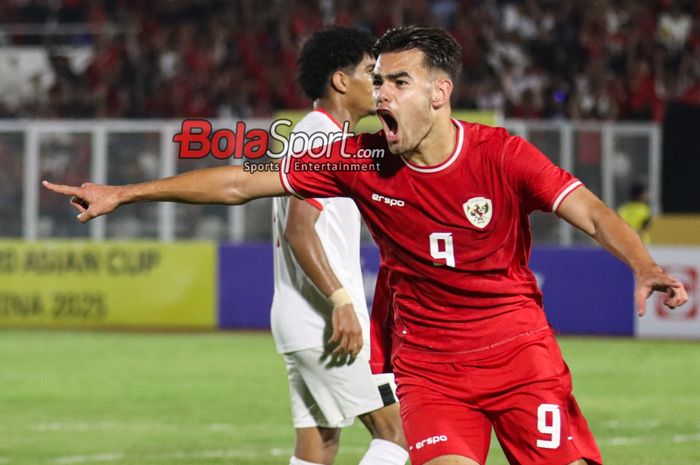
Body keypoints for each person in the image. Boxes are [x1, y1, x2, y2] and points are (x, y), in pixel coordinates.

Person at [43, 26, 688, 465]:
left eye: (398, 83)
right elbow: (242, 181)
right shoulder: (355, 158)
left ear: (440, 93)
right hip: (431, 369)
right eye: (377, 81)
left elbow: (594, 213)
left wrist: (643, 264)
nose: (381, 94)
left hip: (519, 353)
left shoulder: (503, 156)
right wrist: (126, 192)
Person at [269, 27, 407, 465]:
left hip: (303, 319)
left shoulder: (311, 134)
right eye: (372, 73)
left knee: (318, 447)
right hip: (326, 321)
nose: (379, 83)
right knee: (399, 436)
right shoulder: (323, 139)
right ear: (341, 81)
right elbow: (299, 230)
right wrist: (341, 301)